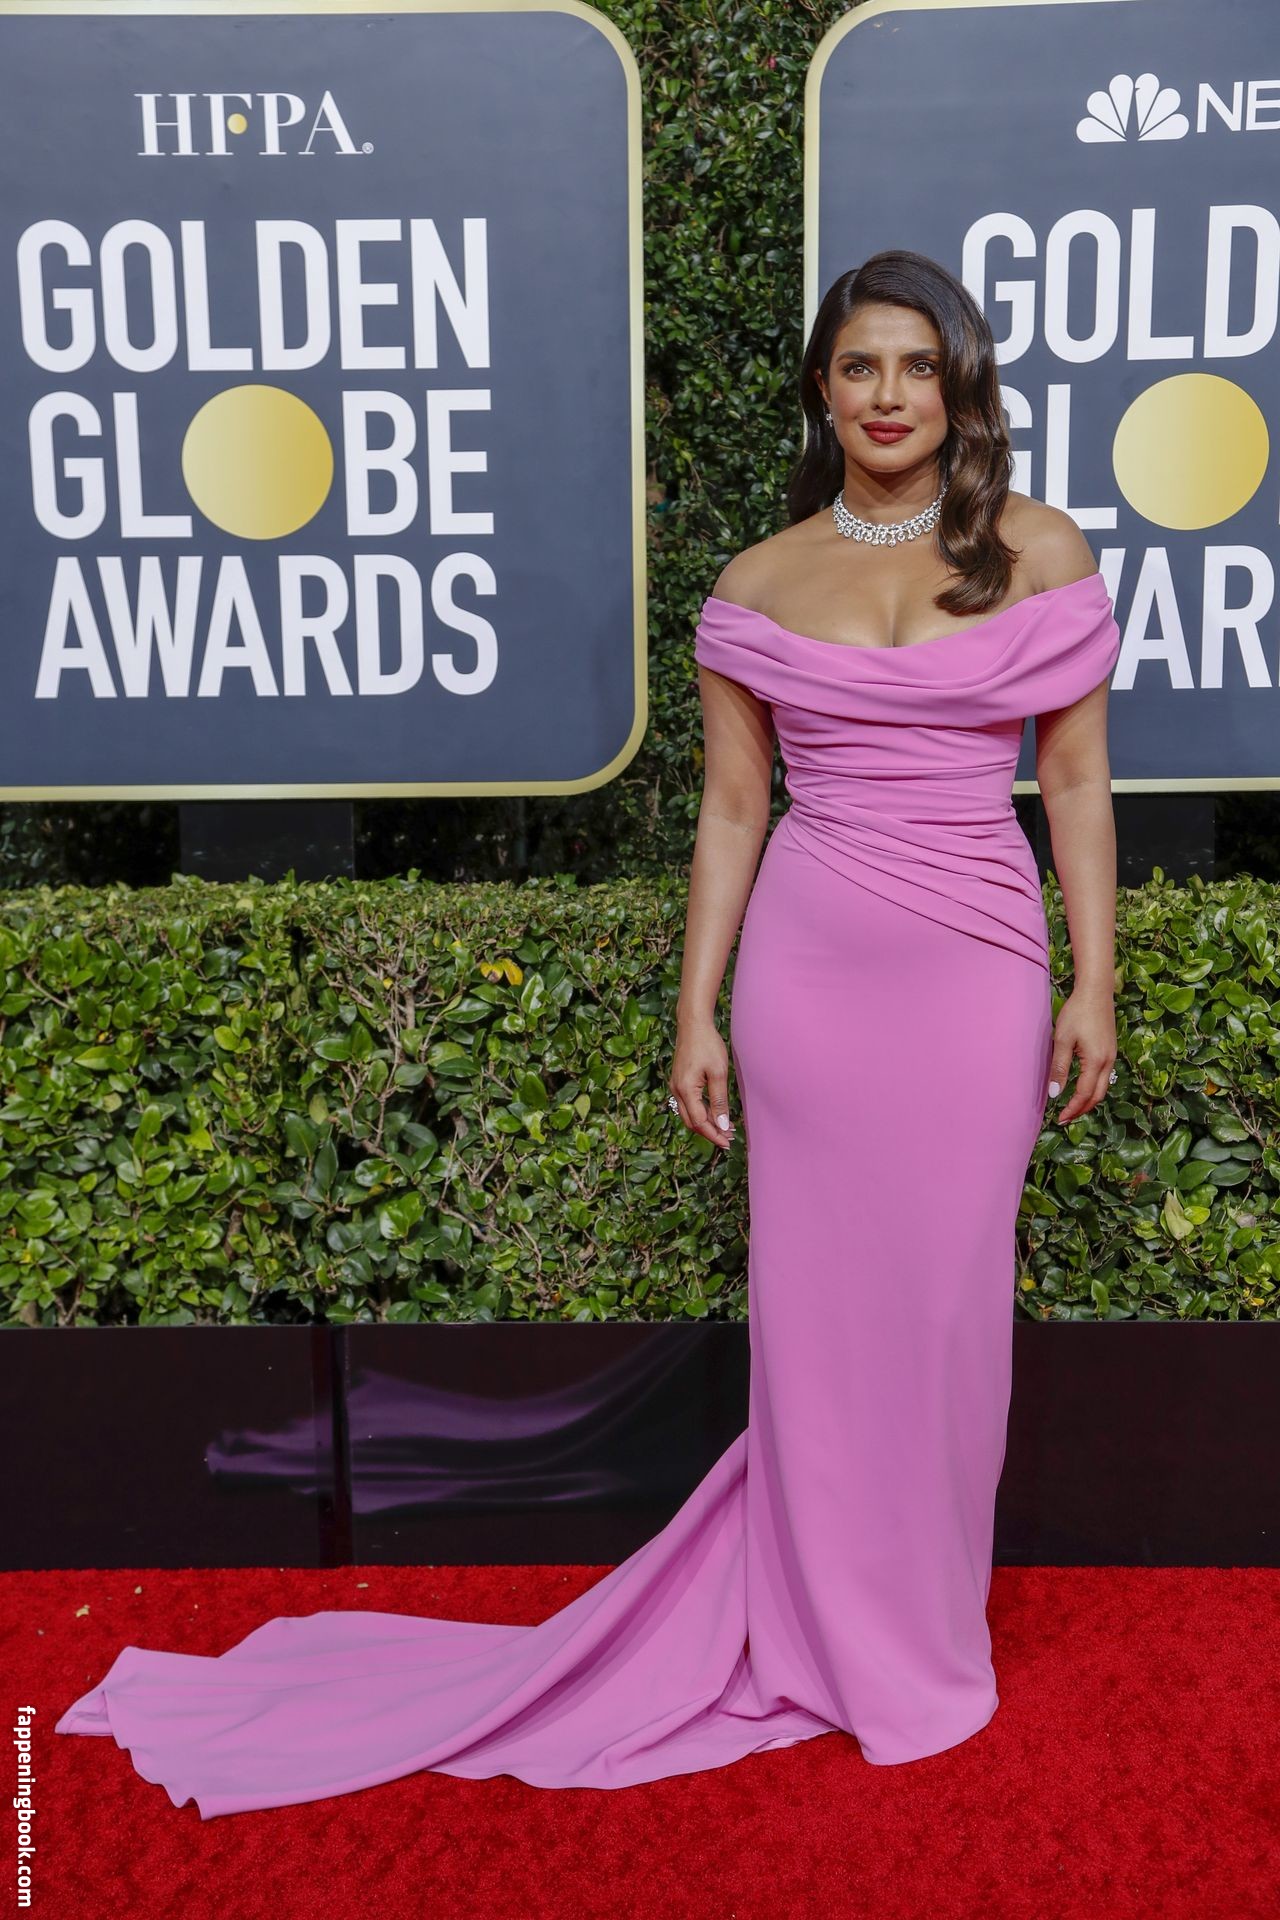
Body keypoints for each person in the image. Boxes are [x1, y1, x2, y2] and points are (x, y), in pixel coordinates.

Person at [55, 250, 1121, 1817]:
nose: (889, 394)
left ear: (961, 385)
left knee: (952, 1318)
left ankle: (918, 1629)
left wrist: (1096, 980)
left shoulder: (1043, 549)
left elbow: (1077, 781)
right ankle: (826, 1627)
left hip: (975, 970)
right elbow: (735, 811)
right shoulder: (758, 583)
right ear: (821, 391)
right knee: (818, 1333)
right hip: (813, 981)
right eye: (858, 367)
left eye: (917, 365)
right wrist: (697, 1006)